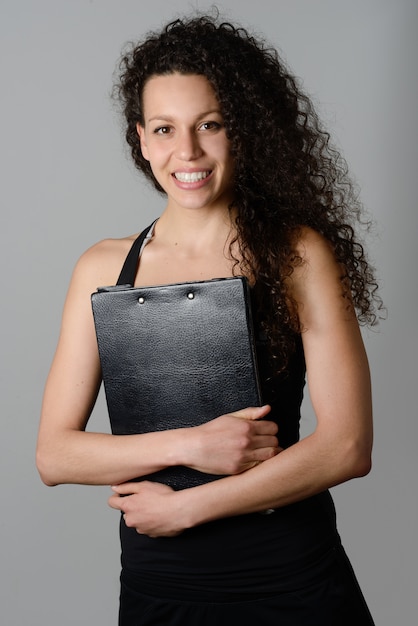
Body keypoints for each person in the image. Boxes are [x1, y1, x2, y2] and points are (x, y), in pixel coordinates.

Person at [37, 13, 381, 625]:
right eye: (166, 129)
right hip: (159, 587)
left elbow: (348, 446)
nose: (187, 152)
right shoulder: (102, 267)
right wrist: (194, 444)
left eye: (210, 125)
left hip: (289, 577)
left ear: (241, 131)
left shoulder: (297, 254)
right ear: (141, 138)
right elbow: (55, 456)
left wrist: (188, 508)